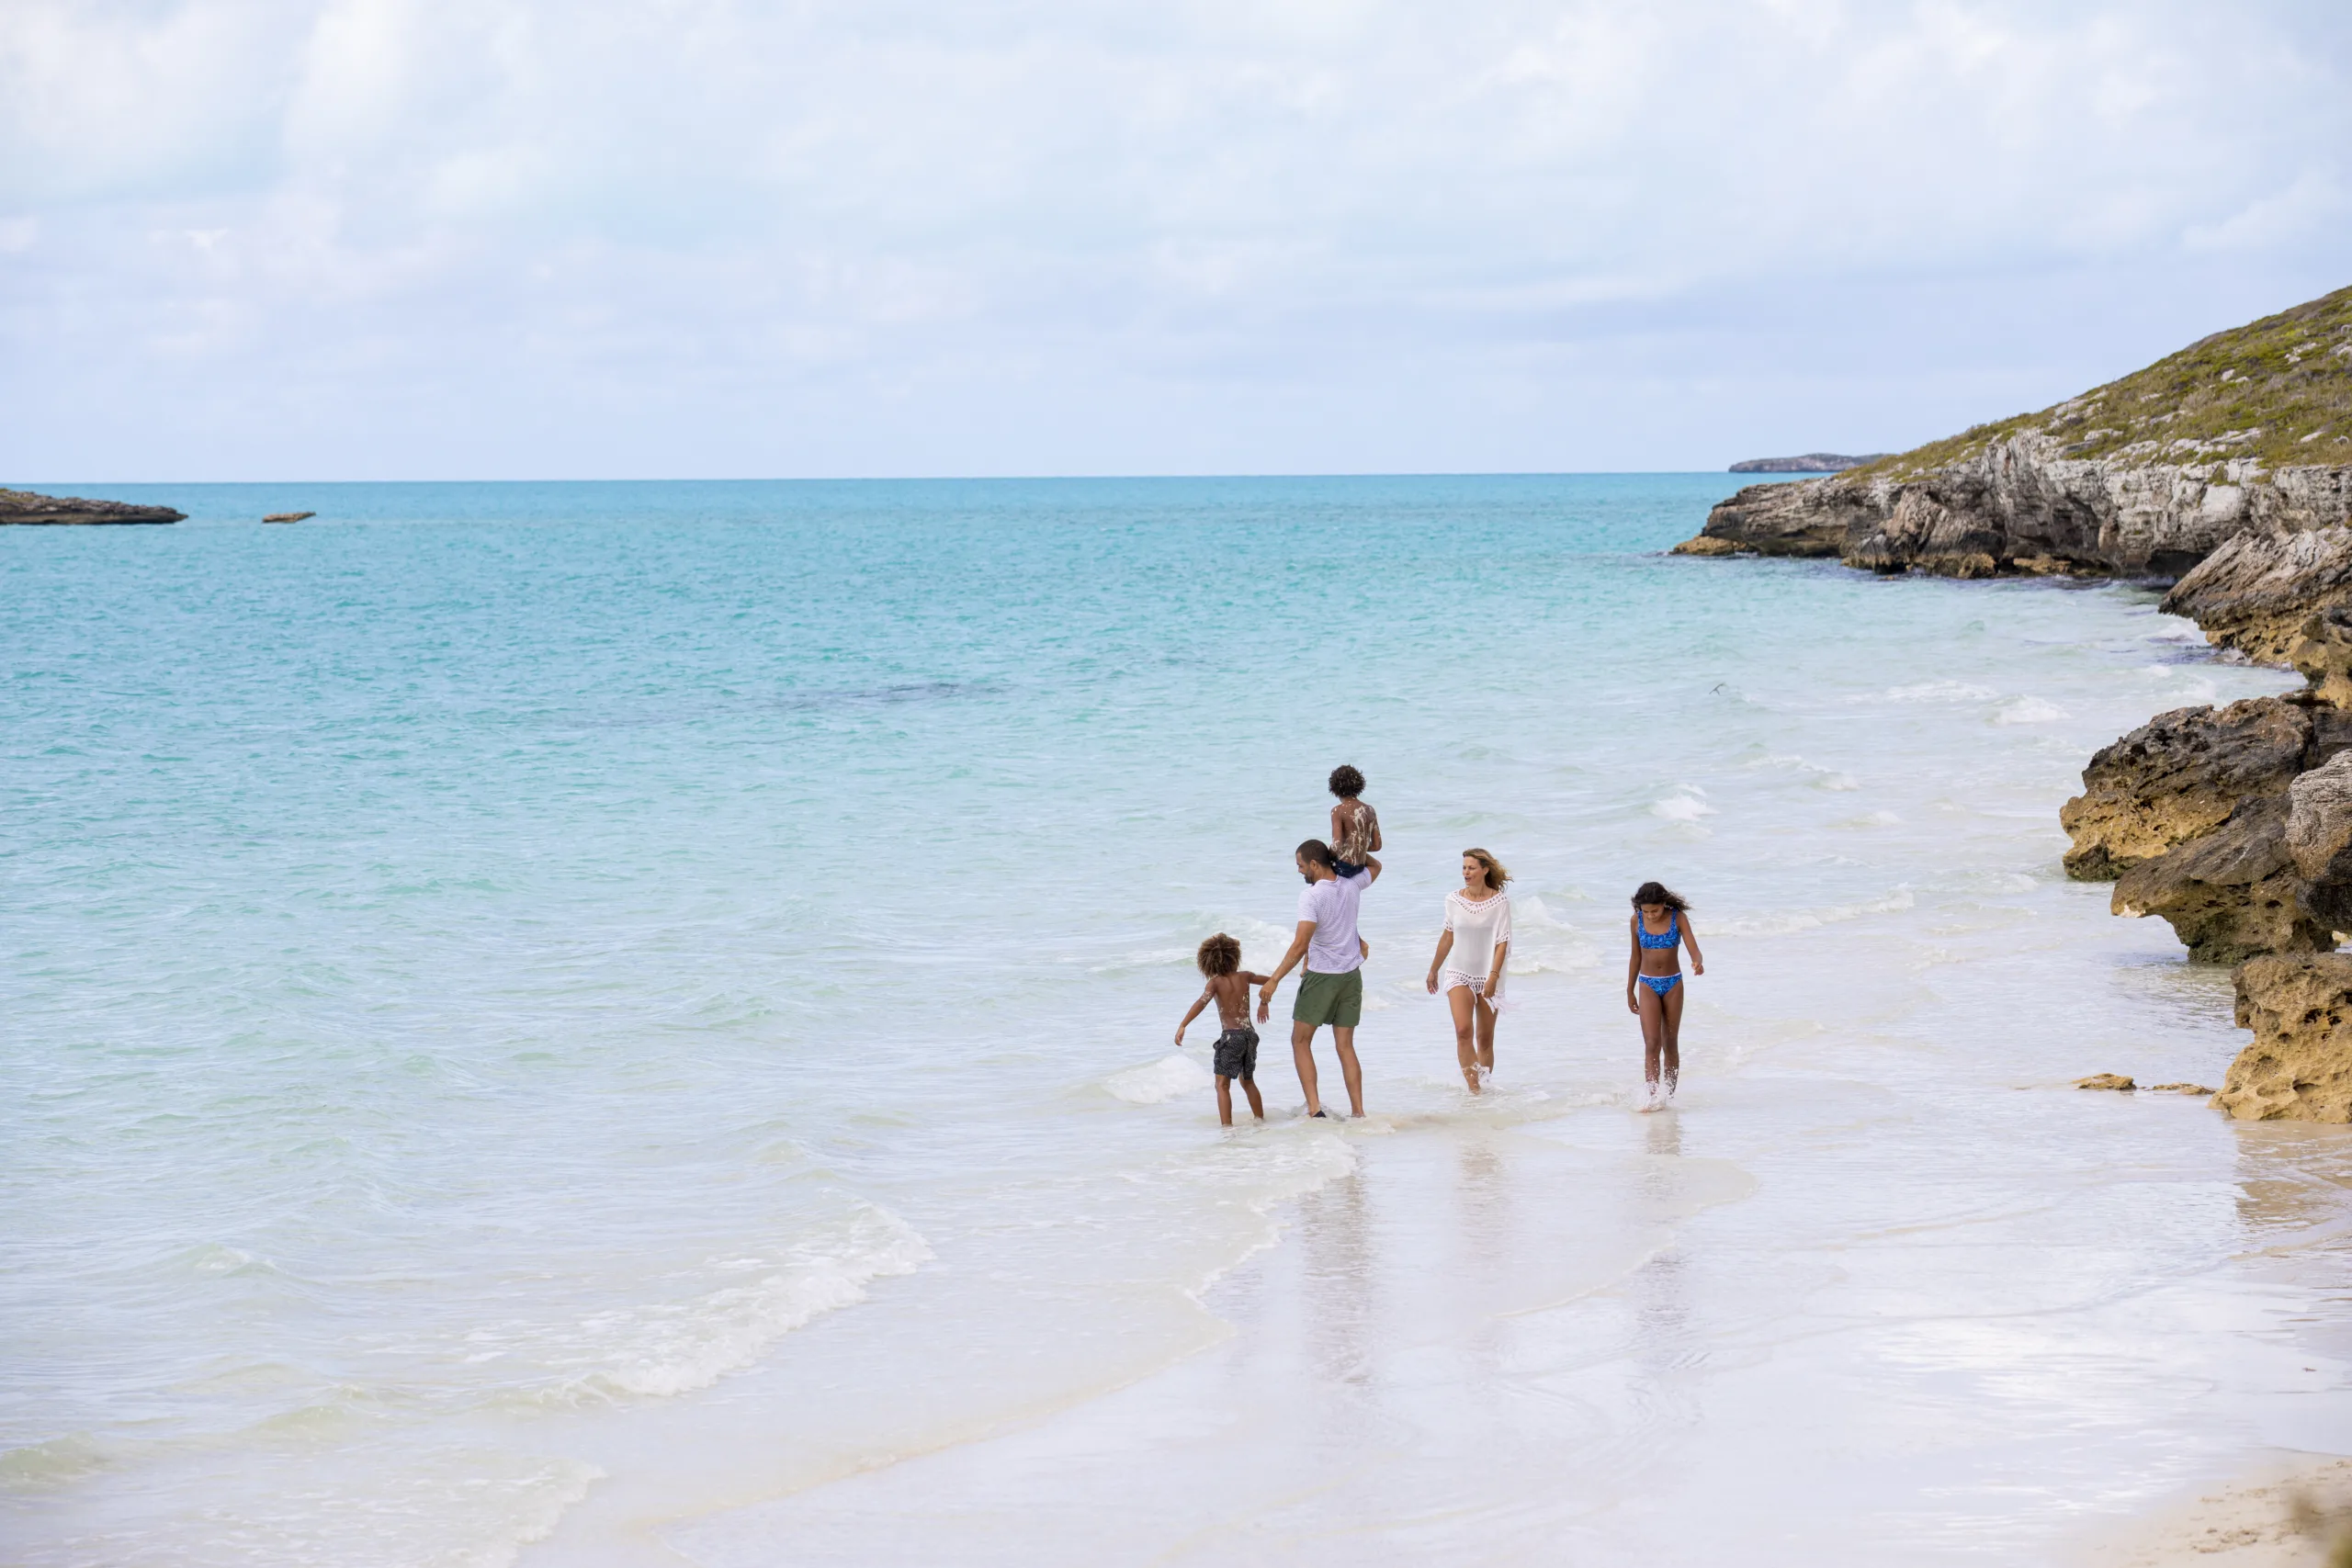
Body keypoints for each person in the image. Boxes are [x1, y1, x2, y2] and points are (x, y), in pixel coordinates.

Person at [1260, 840, 1378, 1118]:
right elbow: (1375, 865)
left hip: (1322, 978)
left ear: (1314, 864)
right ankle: (1358, 1113)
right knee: (1345, 1045)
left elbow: (1301, 944)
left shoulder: (1310, 896)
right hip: (1351, 977)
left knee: (1300, 1042)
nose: (1300, 871)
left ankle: (1314, 1110)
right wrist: (1345, 852)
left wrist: (1274, 980)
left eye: (1301, 865)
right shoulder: (1352, 885)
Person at [1424, 849, 1511, 1093]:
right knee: (1464, 1031)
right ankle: (1475, 1092)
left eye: (1471, 868)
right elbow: (1447, 936)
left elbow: (1502, 943)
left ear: (1485, 870)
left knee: (1484, 1038)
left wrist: (1493, 977)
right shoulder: (1453, 900)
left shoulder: (1499, 902)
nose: (1466, 873)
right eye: (1464, 868)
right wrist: (1434, 969)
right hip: (1458, 972)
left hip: (1489, 975)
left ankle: (1484, 1087)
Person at [1175, 933, 1273, 1126]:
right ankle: (1260, 1121)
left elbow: (1201, 1003)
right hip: (1249, 1036)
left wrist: (1183, 1024)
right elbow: (1272, 981)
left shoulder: (1215, 983)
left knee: (1221, 1085)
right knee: (1248, 1081)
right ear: (1234, 956)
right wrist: (1264, 1002)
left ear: (1209, 962)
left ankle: (1227, 1128)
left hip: (1231, 1037)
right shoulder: (1246, 977)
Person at [1626, 881, 1704, 1109]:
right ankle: (1652, 1097)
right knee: (1652, 1043)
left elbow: (1693, 947)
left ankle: (1667, 1097)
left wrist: (1697, 962)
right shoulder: (1636, 921)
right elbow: (1635, 957)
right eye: (1646, 911)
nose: (1650, 916)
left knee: (1670, 1042)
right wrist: (1629, 990)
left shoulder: (1677, 918)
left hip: (1673, 984)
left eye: (1655, 911)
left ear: (1663, 904)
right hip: (1647, 984)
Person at [1328, 766, 1382, 878]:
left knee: (1315, 861)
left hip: (1344, 866)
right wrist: (1357, 847)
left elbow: (1337, 845)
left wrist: (1327, 855)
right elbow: (1377, 846)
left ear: (1334, 788)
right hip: (1360, 866)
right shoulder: (1370, 810)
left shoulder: (1338, 811)